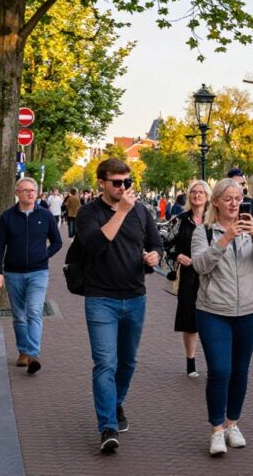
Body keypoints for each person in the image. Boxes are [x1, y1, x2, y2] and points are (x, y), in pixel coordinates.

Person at [75, 158, 162, 453]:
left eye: (127, 182)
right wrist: (121, 211)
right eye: (117, 182)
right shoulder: (89, 212)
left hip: (135, 296)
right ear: (101, 182)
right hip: (101, 299)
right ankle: (107, 427)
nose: (123, 187)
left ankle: (117, 401)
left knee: (128, 361)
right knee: (105, 364)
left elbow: (156, 244)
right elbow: (96, 245)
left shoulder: (141, 210)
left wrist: (154, 257)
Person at [191, 178, 253, 456]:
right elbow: (200, 266)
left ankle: (232, 423)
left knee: (240, 370)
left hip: (249, 310)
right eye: (228, 199)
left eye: (238, 199)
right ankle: (216, 429)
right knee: (220, 371)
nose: (235, 204)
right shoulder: (203, 231)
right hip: (214, 310)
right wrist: (225, 239)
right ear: (216, 202)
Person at [0, 177, 62, 374]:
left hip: (39, 273)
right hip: (13, 273)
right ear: (17, 193)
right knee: (19, 316)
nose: (30, 193)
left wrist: (43, 255)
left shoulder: (45, 216)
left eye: (32, 190)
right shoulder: (7, 217)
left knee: (34, 311)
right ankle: (22, 351)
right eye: (25, 190)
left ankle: (32, 355)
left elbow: (57, 242)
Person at [165, 180, 211, 378]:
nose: (197, 195)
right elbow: (167, 242)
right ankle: (190, 361)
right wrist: (177, 256)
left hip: (211, 275)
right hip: (189, 274)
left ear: (208, 197)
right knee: (189, 319)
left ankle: (214, 360)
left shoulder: (213, 221)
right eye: (194, 192)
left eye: (201, 192)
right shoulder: (180, 220)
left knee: (211, 317)